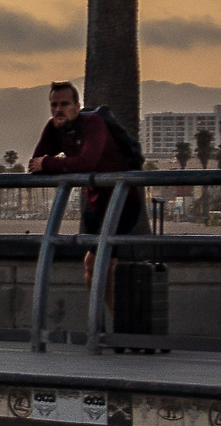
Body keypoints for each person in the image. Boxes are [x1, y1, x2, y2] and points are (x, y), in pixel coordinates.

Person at [28, 80, 141, 294]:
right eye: (54, 105)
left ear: (77, 106)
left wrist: (51, 163)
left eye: (64, 104)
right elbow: (35, 163)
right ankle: (101, 323)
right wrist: (51, 164)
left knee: (104, 266)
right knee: (91, 265)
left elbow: (87, 163)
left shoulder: (93, 123)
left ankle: (110, 324)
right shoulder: (55, 128)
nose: (58, 110)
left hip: (121, 203)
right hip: (94, 205)